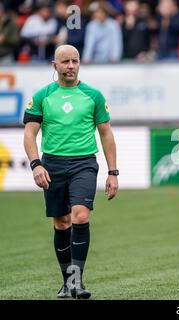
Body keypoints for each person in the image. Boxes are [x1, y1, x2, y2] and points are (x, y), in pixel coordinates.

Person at [23, 45, 119, 299]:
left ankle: (76, 281)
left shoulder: (93, 96)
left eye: (75, 61)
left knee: (80, 215)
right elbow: (29, 134)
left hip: (83, 163)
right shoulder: (42, 96)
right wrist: (36, 164)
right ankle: (67, 282)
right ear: (55, 65)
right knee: (61, 222)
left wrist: (113, 172)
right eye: (65, 61)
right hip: (52, 164)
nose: (71, 65)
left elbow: (106, 134)